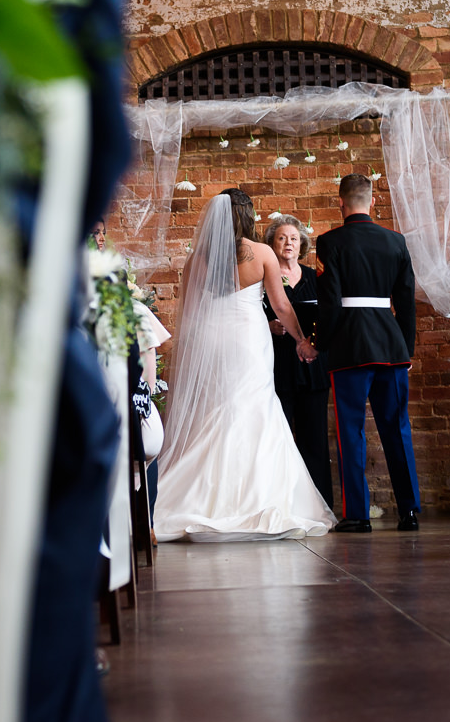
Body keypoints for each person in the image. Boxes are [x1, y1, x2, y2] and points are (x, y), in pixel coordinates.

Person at [152, 189, 337, 541]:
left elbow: (189, 316)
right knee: (255, 408)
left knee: (217, 410)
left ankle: (202, 497)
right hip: (249, 341)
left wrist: (192, 351)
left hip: (213, 340)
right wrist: (302, 341)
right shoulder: (263, 253)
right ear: (248, 216)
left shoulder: (197, 259)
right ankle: (258, 498)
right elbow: (282, 306)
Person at [316, 174, 421, 533]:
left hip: (349, 346)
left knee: (351, 431)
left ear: (341, 203)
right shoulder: (396, 241)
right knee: (397, 428)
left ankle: (358, 515)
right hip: (391, 345)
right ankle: (409, 510)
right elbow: (406, 303)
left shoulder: (330, 242)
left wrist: (318, 342)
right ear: (372, 201)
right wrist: (405, 350)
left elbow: (330, 303)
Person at [262, 213, 334, 505]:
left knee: (315, 440)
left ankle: (321, 505)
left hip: (313, 368)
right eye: (281, 238)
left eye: (293, 238)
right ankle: (281, 506)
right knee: (277, 440)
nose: (288, 243)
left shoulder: (316, 278)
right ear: (272, 244)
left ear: (302, 243)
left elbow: (329, 317)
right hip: (278, 368)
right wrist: (269, 326)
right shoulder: (263, 279)